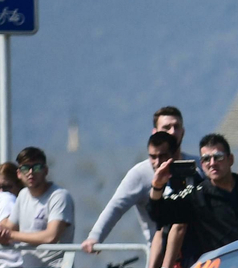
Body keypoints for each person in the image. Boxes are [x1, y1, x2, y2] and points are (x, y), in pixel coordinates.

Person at [81, 106, 191, 256]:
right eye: (166, 127)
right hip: (160, 257)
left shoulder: (196, 167)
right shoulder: (141, 173)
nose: (172, 132)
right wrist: (95, 237)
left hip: (200, 256)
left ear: (183, 131)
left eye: (176, 127)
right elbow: (116, 206)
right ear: (155, 133)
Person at [148, 134, 238, 267]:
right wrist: (157, 186)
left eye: (218, 157)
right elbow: (159, 214)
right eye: (206, 159)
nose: (212, 163)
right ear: (202, 165)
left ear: (230, 159)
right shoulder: (196, 196)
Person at [133, 131, 200, 268]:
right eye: (152, 157)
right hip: (173, 267)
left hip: (193, 265)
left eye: (162, 156)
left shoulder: (189, 180)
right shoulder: (160, 183)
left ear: (175, 154)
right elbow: (160, 229)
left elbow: (179, 226)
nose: (157, 162)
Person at [0, 147, 75, 268]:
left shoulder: (59, 196)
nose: (31, 172)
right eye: (25, 168)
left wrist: (11, 235)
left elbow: (51, 236)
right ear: (19, 174)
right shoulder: (22, 195)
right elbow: (8, 228)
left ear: (46, 171)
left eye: (36, 167)